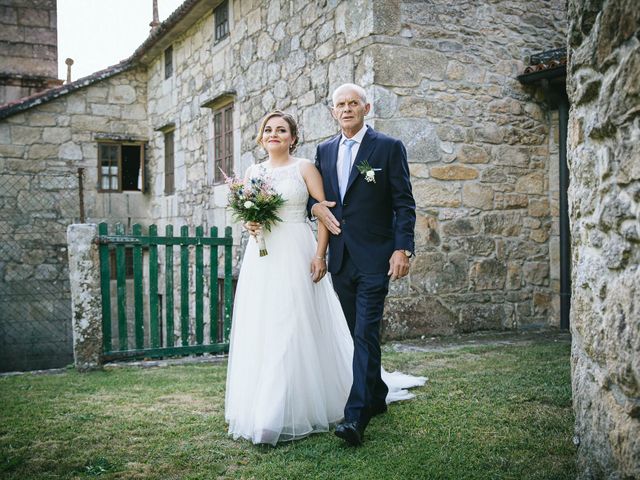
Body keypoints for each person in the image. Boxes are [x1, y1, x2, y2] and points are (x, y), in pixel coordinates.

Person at [225, 110, 423, 447]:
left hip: (298, 256)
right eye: (269, 130)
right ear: (261, 137)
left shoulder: (306, 166)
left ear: (293, 137)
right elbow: (288, 210)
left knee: (290, 327)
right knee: (263, 327)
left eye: (282, 129)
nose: (275, 134)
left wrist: (319, 255)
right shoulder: (252, 172)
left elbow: (324, 207)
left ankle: (273, 418)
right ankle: (368, 391)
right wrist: (250, 223)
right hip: (263, 258)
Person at [310, 83, 417, 446]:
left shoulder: (386, 148)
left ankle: (356, 416)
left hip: (375, 257)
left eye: (353, 103)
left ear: (366, 107)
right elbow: (319, 201)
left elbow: (404, 203)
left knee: (365, 332)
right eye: (340, 104)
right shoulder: (323, 151)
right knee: (357, 331)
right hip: (341, 260)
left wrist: (402, 249)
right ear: (333, 112)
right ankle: (376, 391)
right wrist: (314, 211)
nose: (347, 109)